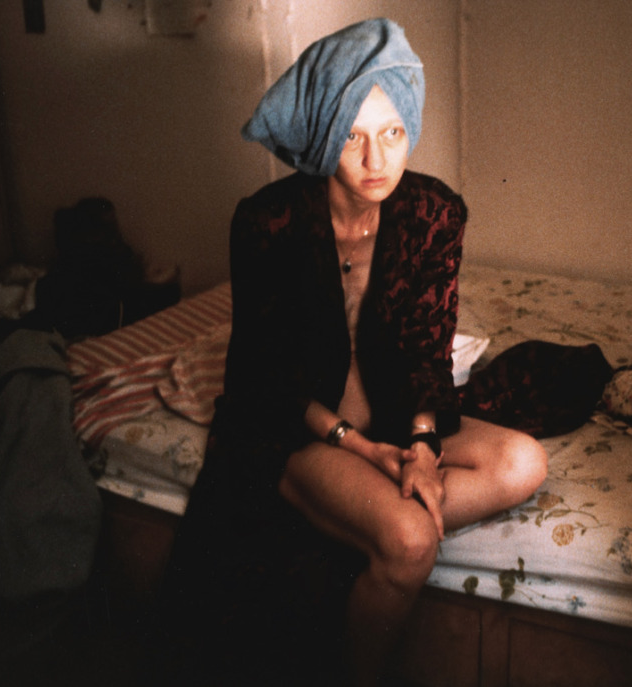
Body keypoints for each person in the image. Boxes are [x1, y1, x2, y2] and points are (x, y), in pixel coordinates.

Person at [158, 18, 548, 687]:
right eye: (354, 135)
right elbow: (265, 378)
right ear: (320, 136)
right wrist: (361, 450)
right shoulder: (268, 222)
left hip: (397, 418)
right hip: (297, 434)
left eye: (394, 133)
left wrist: (422, 445)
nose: (378, 161)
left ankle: (353, 519)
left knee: (523, 462)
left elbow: (430, 343)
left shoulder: (433, 212)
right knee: (411, 540)